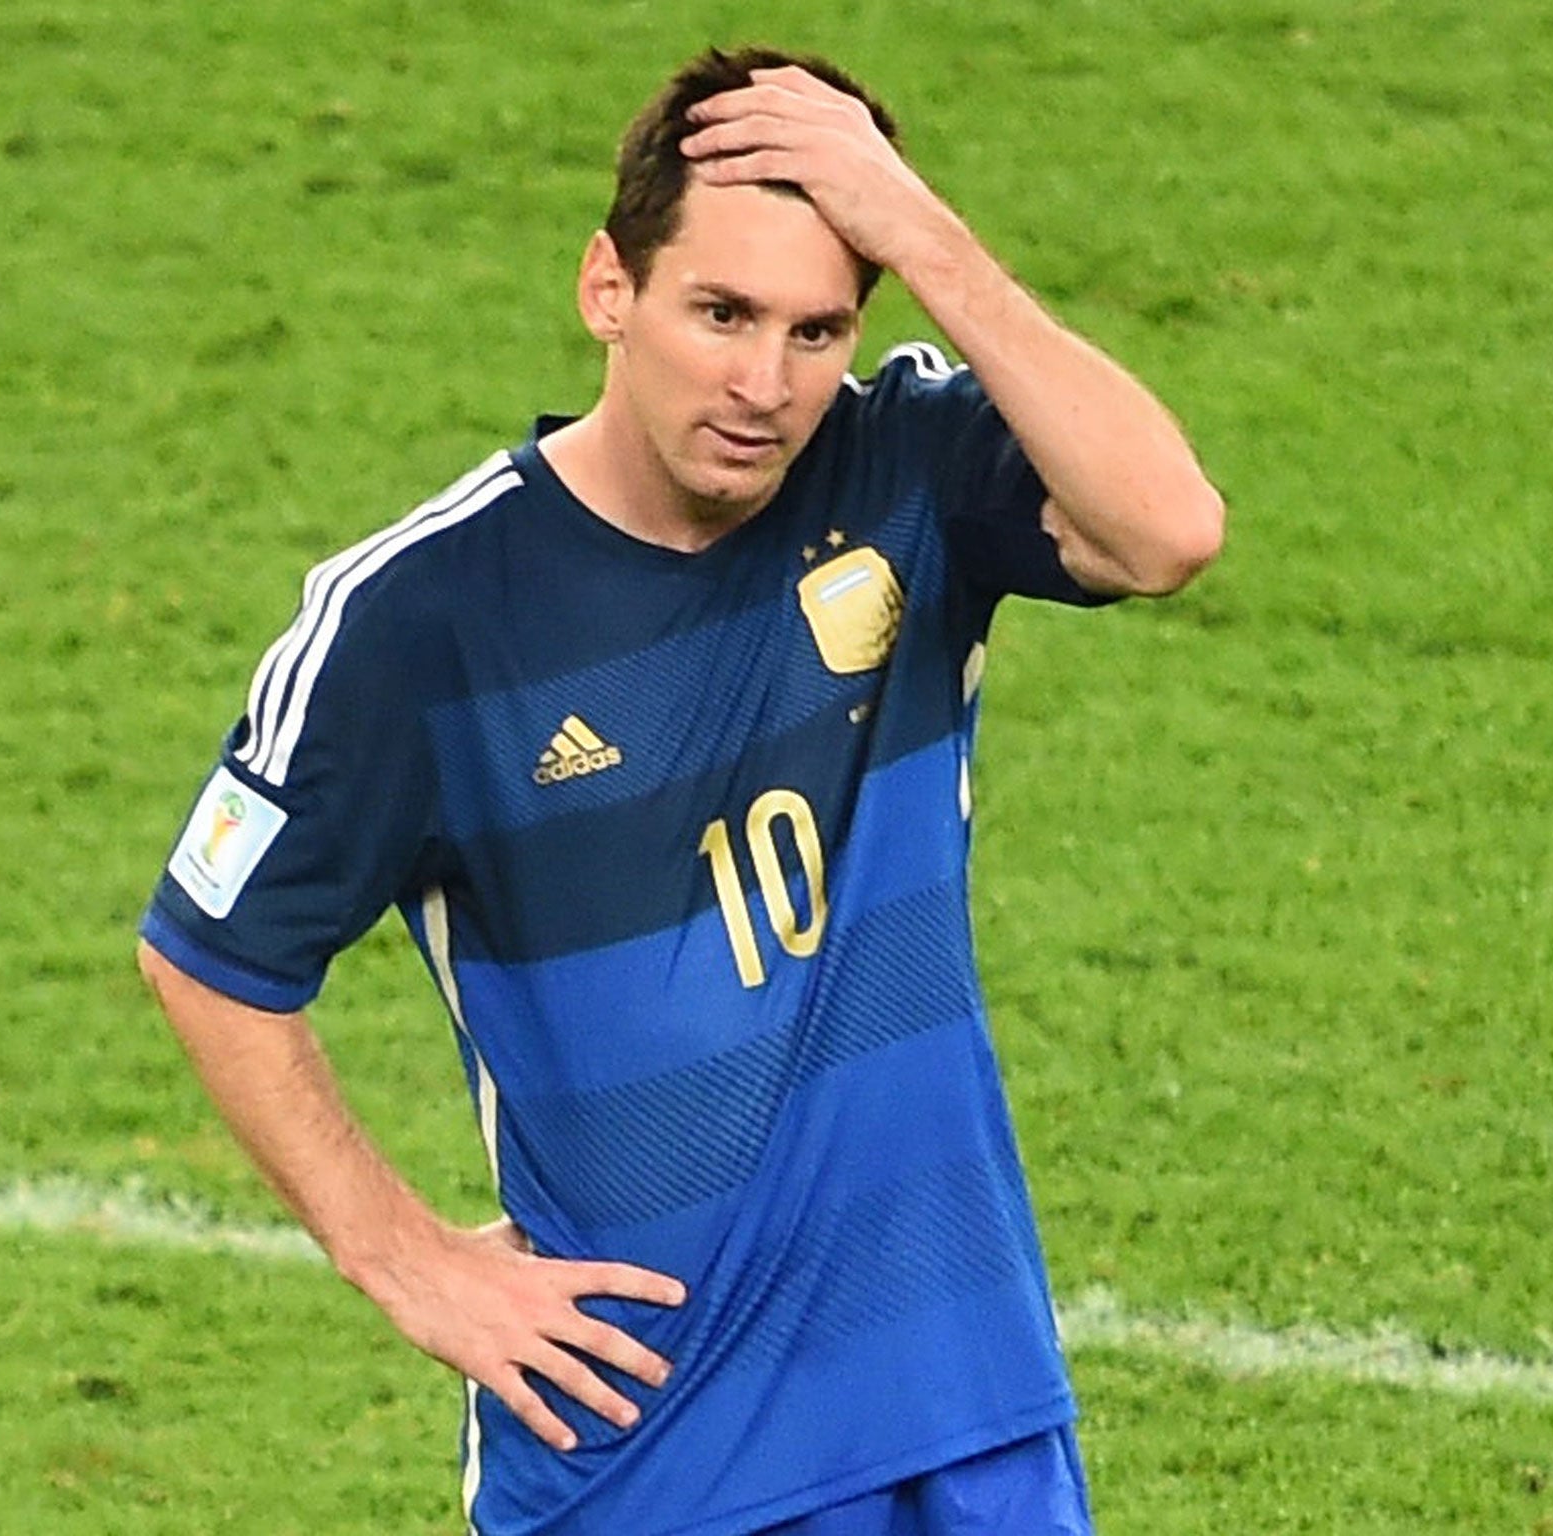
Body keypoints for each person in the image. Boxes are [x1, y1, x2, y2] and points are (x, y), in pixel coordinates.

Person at [137, 44, 1222, 1536]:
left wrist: (921, 229)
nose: (763, 385)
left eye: (816, 328)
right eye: (720, 314)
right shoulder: (420, 620)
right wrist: (402, 1257)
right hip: (650, 1459)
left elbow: (1166, 530)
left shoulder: (908, 469)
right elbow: (211, 957)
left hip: (962, 1408)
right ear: (609, 289)